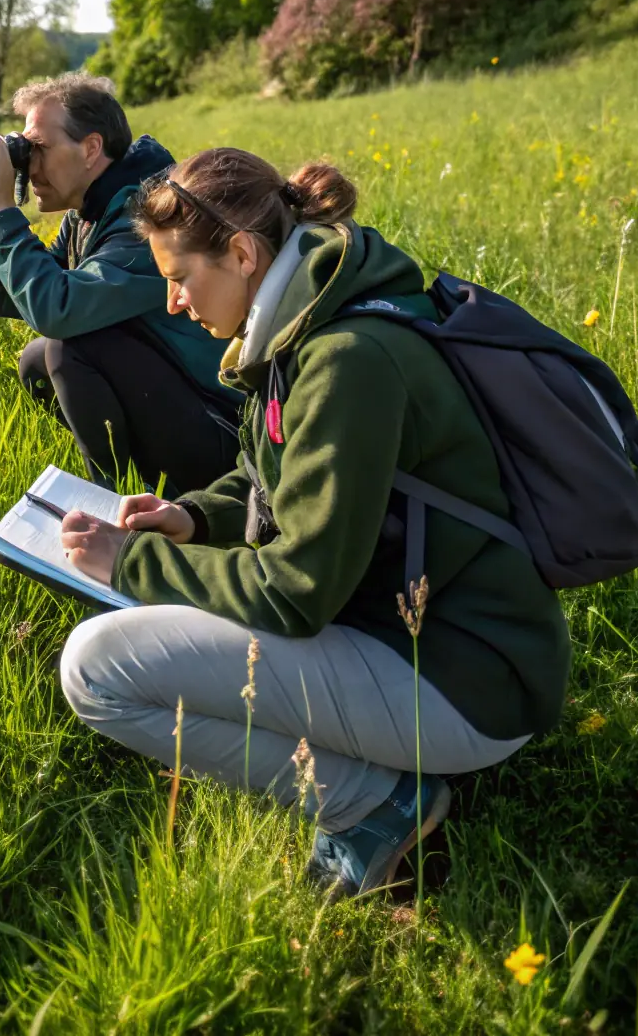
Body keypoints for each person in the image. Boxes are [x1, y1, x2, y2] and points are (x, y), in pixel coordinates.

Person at [55, 147, 572, 898]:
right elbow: (273, 474)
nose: (172, 303)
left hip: (470, 684)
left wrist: (129, 564)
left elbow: (296, 590)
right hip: (425, 644)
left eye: (178, 278)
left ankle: (377, 802)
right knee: (127, 645)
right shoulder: (311, 318)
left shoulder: (345, 359)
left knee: (97, 668)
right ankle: (378, 781)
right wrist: (193, 517)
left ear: (240, 252)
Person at [0, 74, 242, 495]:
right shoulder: (92, 213)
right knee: (38, 361)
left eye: (38, 149)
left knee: (69, 348)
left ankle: (120, 508)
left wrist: (2, 211)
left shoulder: (149, 219)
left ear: (91, 148)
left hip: (229, 432)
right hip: (189, 403)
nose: (28, 165)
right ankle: (144, 487)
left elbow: (57, 309)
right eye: (23, 148)